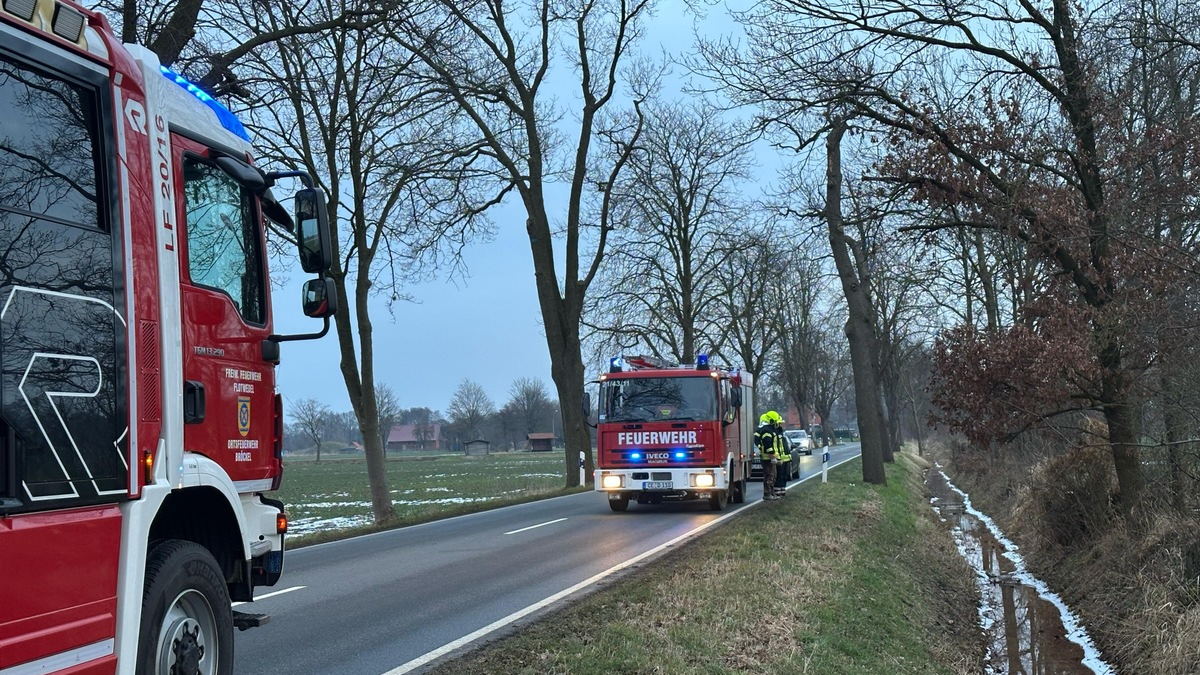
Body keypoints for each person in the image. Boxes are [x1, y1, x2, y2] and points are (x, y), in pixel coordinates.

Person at [755, 411, 782, 501]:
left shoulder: (769, 430)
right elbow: (768, 444)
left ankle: (771, 493)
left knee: (772, 476)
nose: (777, 424)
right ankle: (767, 494)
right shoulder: (767, 430)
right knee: (770, 476)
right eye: (776, 422)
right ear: (772, 421)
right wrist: (772, 456)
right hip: (768, 457)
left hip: (769, 457)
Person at [773, 413, 790, 497]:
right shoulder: (775, 434)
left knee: (784, 475)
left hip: (785, 459)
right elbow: (776, 447)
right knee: (778, 476)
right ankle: (777, 491)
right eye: (779, 423)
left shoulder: (782, 434)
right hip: (779, 459)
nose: (781, 425)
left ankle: (782, 490)